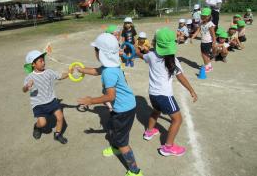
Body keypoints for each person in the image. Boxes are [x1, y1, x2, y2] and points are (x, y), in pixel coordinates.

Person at [77, 33, 143, 176]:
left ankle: (135, 171)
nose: (94, 52)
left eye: (96, 49)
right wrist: (82, 70)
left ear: (101, 53)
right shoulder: (111, 65)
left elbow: (110, 96)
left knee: (123, 142)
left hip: (124, 110)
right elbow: (96, 71)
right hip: (122, 107)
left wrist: (91, 100)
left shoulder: (109, 73)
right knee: (113, 128)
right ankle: (116, 147)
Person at [136, 27, 197, 156]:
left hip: (153, 94)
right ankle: (168, 147)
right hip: (165, 96)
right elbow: (181, 77)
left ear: (155, 43)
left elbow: (142, 56)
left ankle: (149, 131)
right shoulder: (173, 61)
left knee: (156, 111)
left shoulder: (151, 56)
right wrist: (191, 90)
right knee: (177, 120)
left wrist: (136, 50)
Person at [22, 50, 69, 144]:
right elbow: (24, 90)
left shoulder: (49, 72)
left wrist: (69, 73)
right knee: (43, 123)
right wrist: (27, 86)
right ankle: (37, 127)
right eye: (40, 61)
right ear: (33, 64)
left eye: (43, 60)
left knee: (60, 117)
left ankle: (58, 135)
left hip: (51, 100)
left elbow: (60, 76)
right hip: (38, 104)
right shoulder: (30, 77)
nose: (43, 62)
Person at [190, 8, 216, 73]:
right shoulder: (201, 23)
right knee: (205, 55)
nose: (203, 17)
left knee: (203, 55)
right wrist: (192, 37)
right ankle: (209, 66)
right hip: (203, 42)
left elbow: (213, 34)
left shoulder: (210, 24)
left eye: (205, 16)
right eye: (202, 16)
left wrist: (214, 42)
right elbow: (198, 31)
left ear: (209, 16)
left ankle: (207, 66)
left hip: (208, 42)